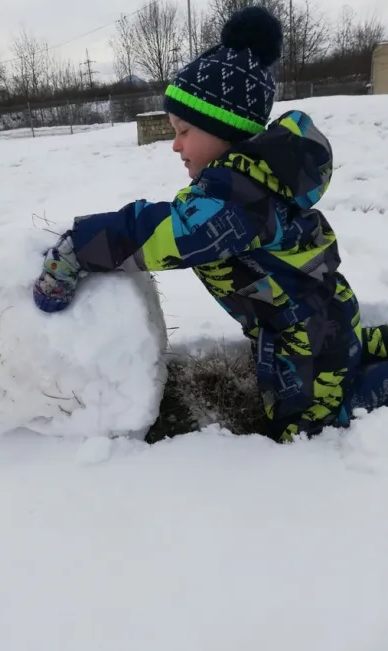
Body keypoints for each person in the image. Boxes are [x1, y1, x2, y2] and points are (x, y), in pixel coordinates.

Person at [32, 6, 388, 442]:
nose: (175, 145)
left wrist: (77, 248)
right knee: (346, 355)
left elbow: (163, 232)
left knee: (305, 429)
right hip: (324, 319)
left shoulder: (236, 201)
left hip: (307, 346)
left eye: (183, 131)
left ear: (226, 130)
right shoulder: (256, 181)